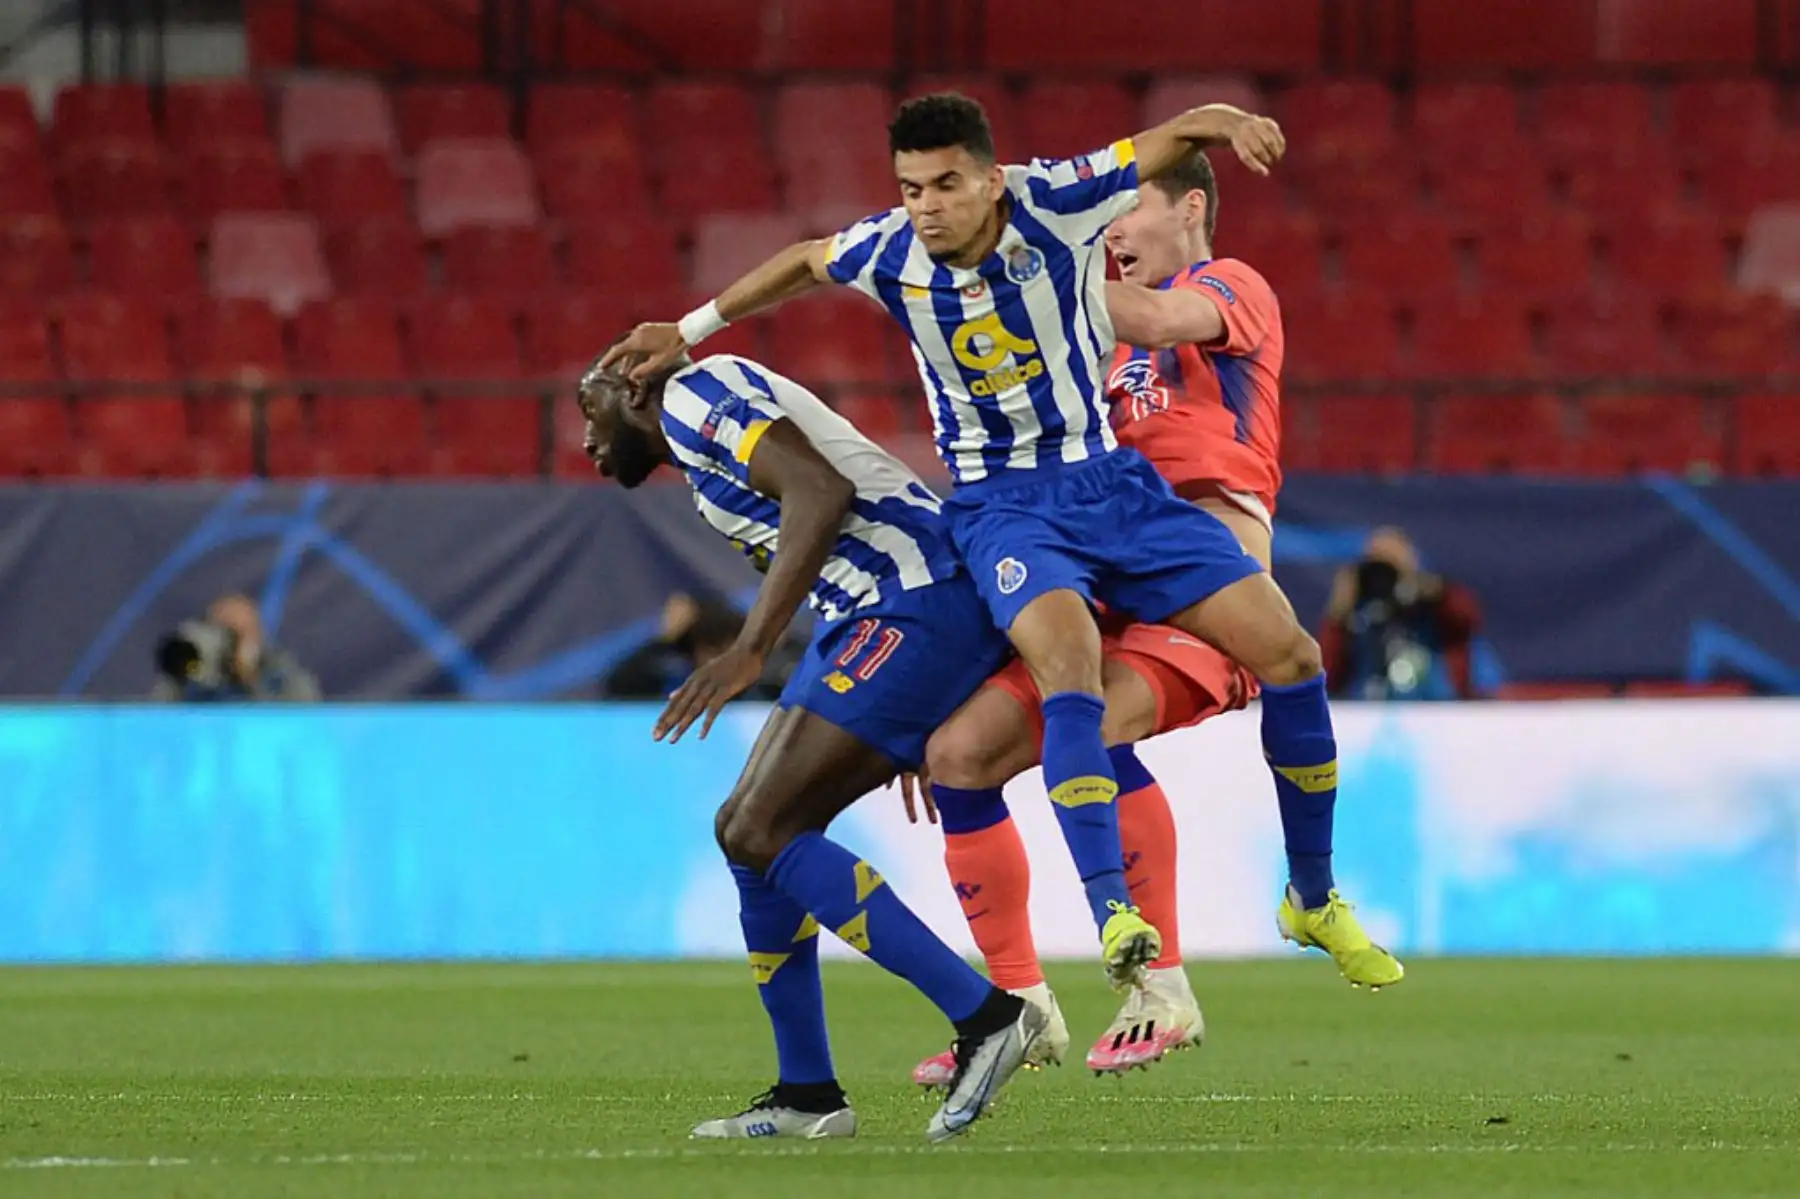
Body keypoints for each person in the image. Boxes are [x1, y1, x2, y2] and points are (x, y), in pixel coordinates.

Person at [605, 94, 1329, 1000]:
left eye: (947, 184)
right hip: (999, 506)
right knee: (1056, 694)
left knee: (1291, 652)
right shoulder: (888, 249)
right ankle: (1095, 946)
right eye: (912, 188)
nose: (928, 207)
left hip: (1104, 482)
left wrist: (1223, 117)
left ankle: (1311, 893)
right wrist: (690, 327)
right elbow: (802, 261)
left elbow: (1166, 143)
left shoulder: (1056, 202)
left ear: (991, 179)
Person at [909, 148, 1405, 1086]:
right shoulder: (1086, 345)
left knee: (1092, 717)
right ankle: (1016, 1004)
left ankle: (1199, 964)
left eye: (1120, 213)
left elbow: (1149, 313)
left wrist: (1023, 245)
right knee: (957, 753)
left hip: (1201, 590)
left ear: (1187, 209)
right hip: (1098, 572)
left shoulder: (1230, 287)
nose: (1108, 234)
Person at [576, 347, 1046, 1143]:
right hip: (870, 615)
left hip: (913, 599)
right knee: (744, 834)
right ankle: (808, 1091)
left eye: (589, 413)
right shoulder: (697, 443)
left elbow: (821, 490)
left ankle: (989, 1016)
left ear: (631, 390)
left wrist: (752, 646)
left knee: (763, 826)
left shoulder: (692, 396)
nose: (585, 443)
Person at [1319, 527, 1484, 700]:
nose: (1382, 578)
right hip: (1368, 711)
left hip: (1436, 710)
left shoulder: (1433, 607)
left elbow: (1468, 617)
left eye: (1389, 569)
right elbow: (1327, 676)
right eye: (1375, 568)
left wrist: (1428, 588)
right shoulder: (1358, 616)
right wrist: (1338, 612)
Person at [601, 590, 800, 701]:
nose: (716, 661)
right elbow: (617, 685)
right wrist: (664, 640)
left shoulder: (764, 684)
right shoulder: (675, 682)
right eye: (709, 650)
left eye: (724, 648)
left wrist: (773, 648)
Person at [151, 593, 322, 702]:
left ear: (257, 635)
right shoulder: (192, 676)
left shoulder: (284, 677)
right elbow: (157, 723)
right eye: (218, 628)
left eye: (234, 634)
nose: (227, 643)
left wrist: (250, 678)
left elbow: (302, 728)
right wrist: (186, 676)